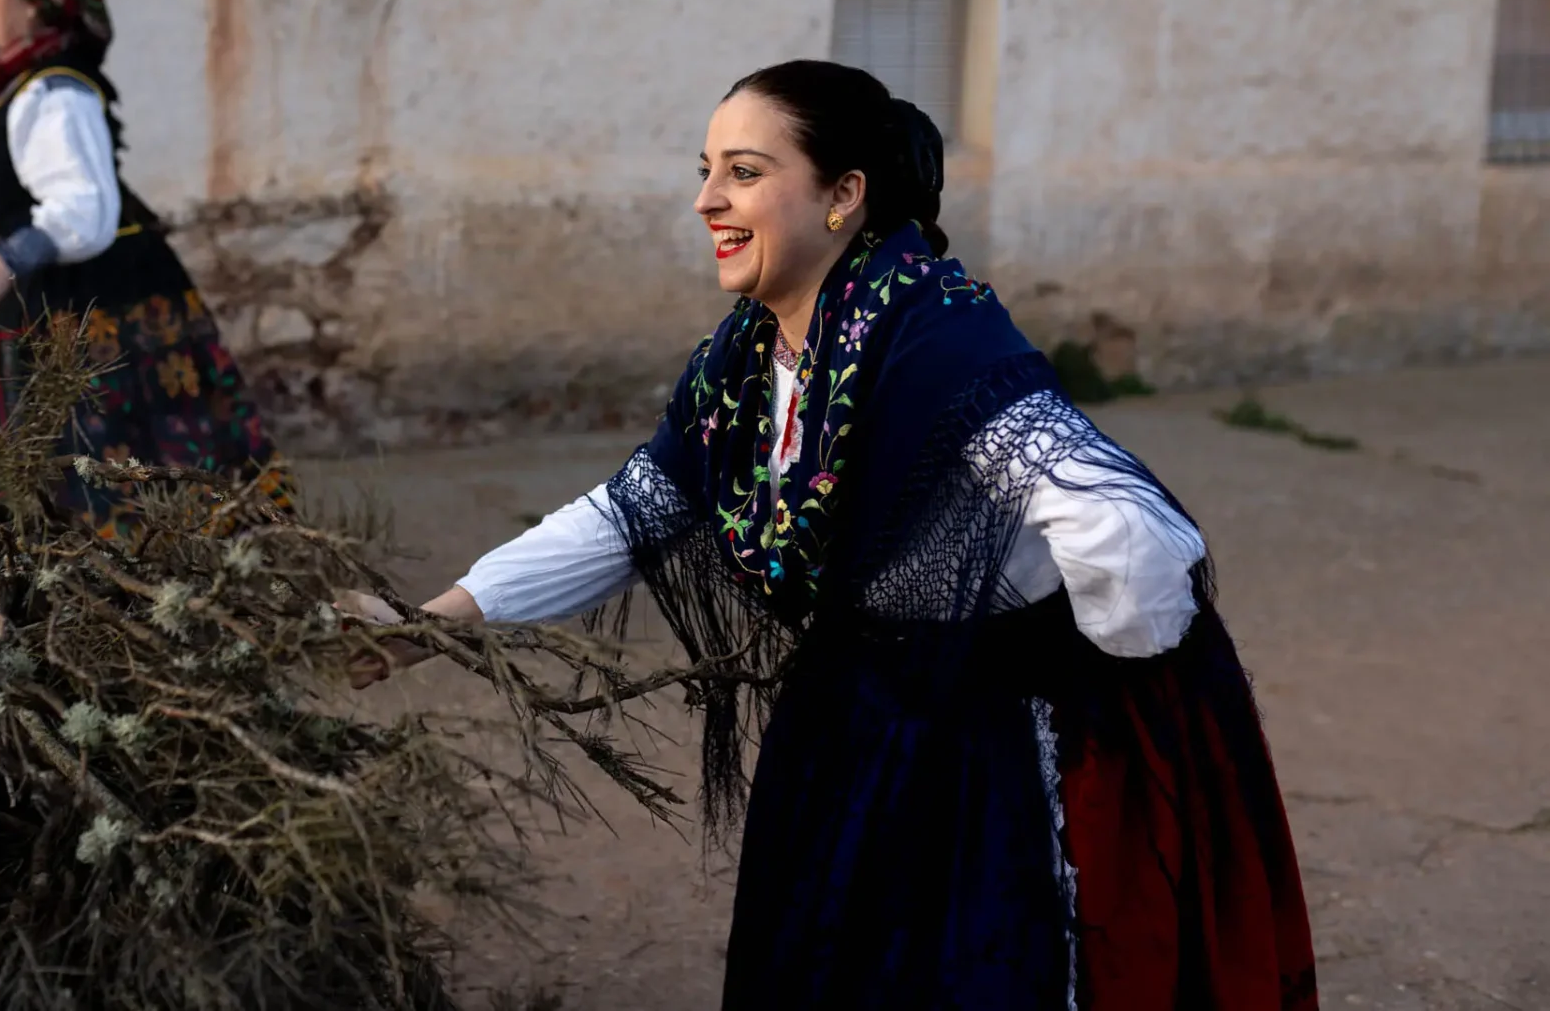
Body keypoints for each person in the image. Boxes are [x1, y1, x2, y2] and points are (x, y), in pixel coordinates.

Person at [352, 61, 1317, 1008]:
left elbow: (1128, 535)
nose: (706, 201)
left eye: (743, 171)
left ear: (842, 195)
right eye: (705, 170)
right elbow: (626, 515)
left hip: (982, 745)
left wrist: (1112, 707)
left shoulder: (936, 334)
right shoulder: (739, 362)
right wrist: (423, 625)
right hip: (849, 723)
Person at [0, 0, 290, 534]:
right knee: (65, 467)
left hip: (103, 308)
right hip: (77, 299)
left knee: (122, 463)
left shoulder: (57, 91)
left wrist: (3, 262)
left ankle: (152, 585)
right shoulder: (16, 87)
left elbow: (82, 208)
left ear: (32, 4)